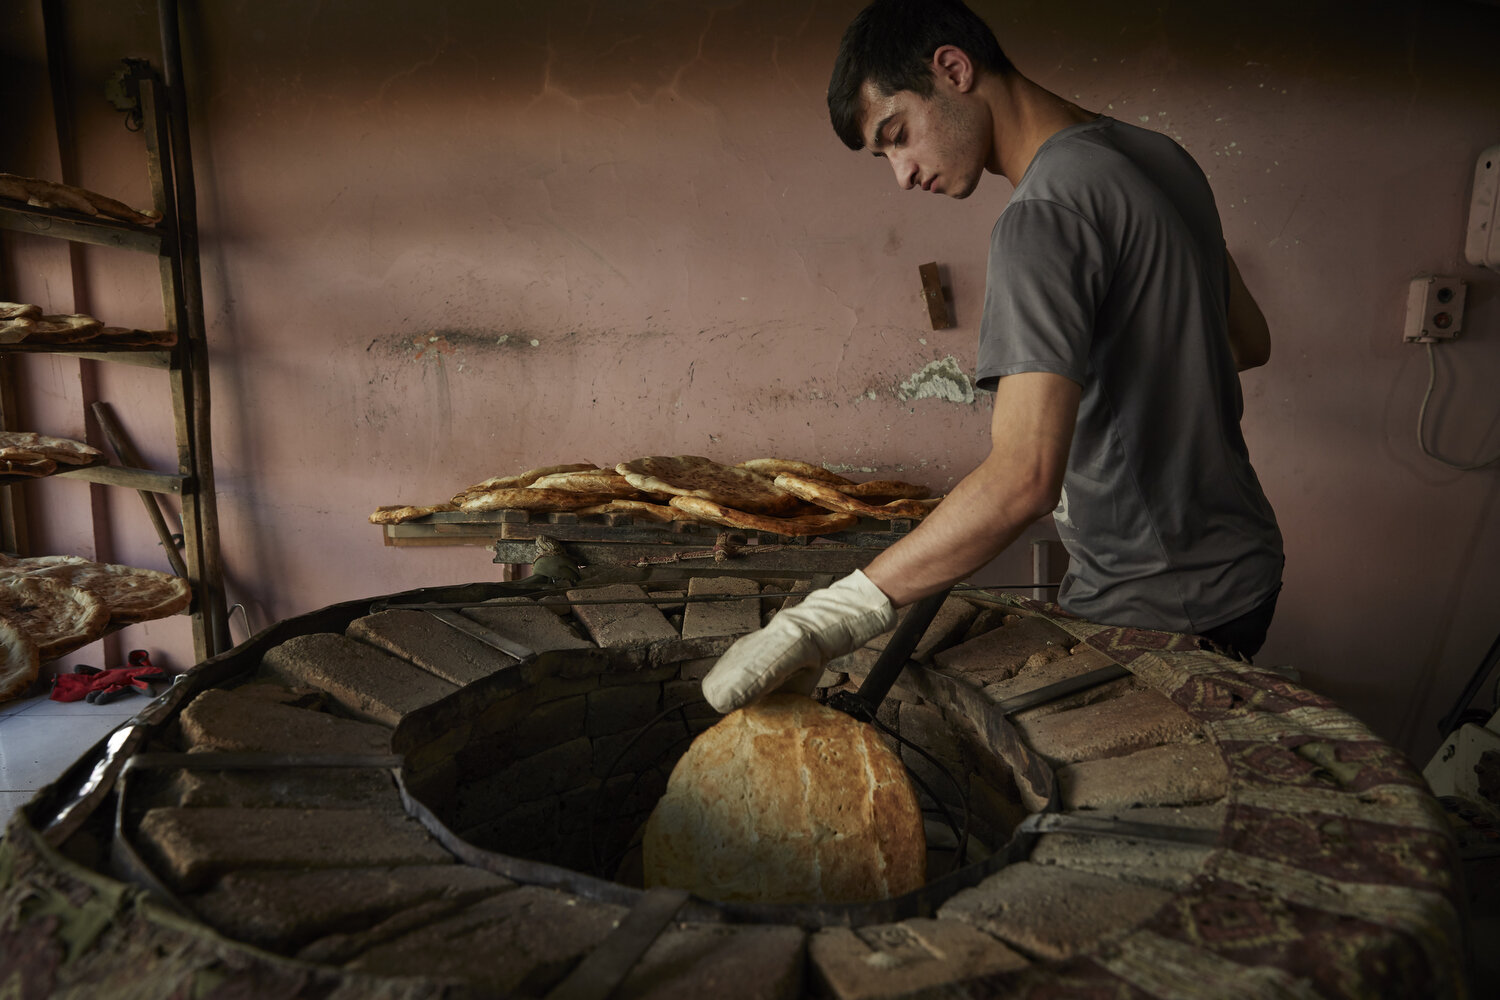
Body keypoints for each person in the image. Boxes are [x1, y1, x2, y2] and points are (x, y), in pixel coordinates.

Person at [702, 0, 1283, 713]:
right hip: (1245, 568)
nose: (903, 175)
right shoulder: (1162, 157)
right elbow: (1248, 341)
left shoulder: (1041, 219)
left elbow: (1025, 480)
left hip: (1155, 602)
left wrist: (825, 618)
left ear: (953, 69)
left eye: (898, 135)